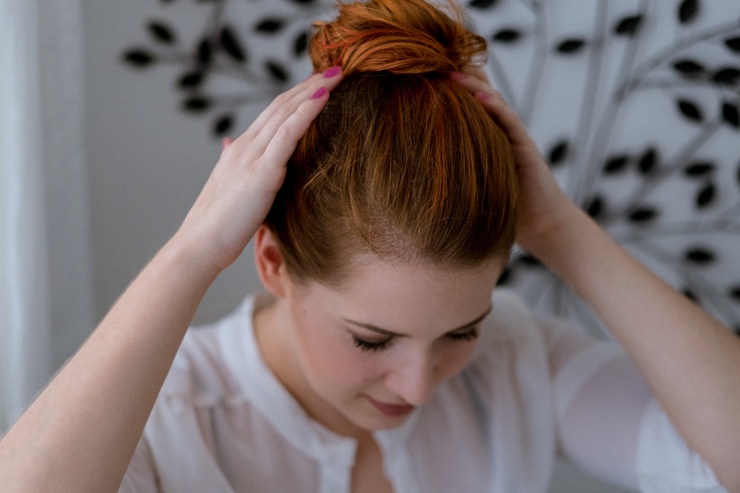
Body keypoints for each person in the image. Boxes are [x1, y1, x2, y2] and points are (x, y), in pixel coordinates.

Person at [1, 0, 739, 491]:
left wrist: (562, 231)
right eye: (371, 338)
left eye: (461, 330)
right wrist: (191, 252)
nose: (419, 385)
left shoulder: (516, 358)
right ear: (272, 261)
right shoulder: (175, 415)